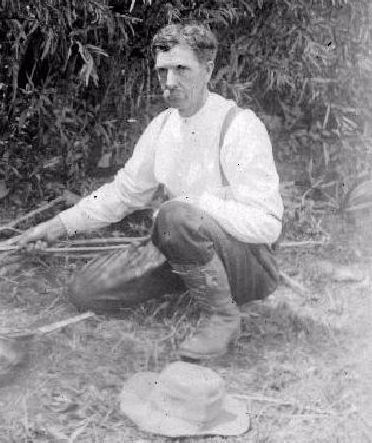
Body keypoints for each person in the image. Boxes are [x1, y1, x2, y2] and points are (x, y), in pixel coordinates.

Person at [18, 23, 283, 361]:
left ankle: (222, 317)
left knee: (175, 216)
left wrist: (192, 204)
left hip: (248, 267)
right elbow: (124, 193)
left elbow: (267, 225)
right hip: (182, 249)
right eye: (162, 71)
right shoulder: (163, 126)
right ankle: (193, 281)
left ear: (208, 70)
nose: (170, 82)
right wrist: (58, 225)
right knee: (86, 289)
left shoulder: (239, 126)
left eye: (182, 69)